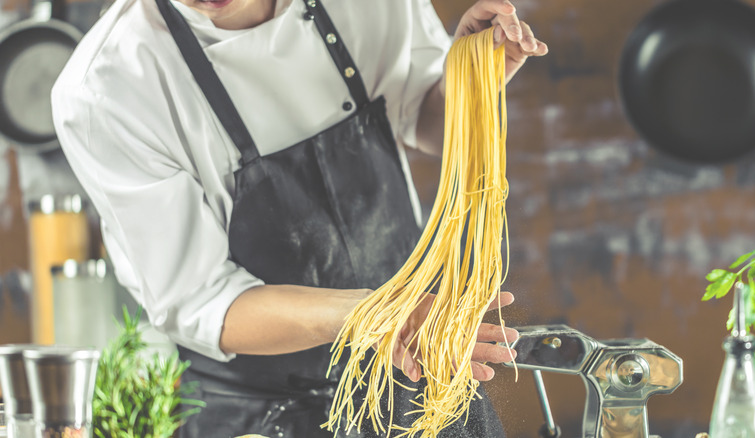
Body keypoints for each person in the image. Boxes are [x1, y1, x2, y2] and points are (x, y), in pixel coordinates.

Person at [51, 0, 548, 435]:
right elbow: (204, 301)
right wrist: (372, 315)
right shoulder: (107, 87)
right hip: (260, 416)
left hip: (415, 376)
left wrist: (475, 78)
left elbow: (424, 118)